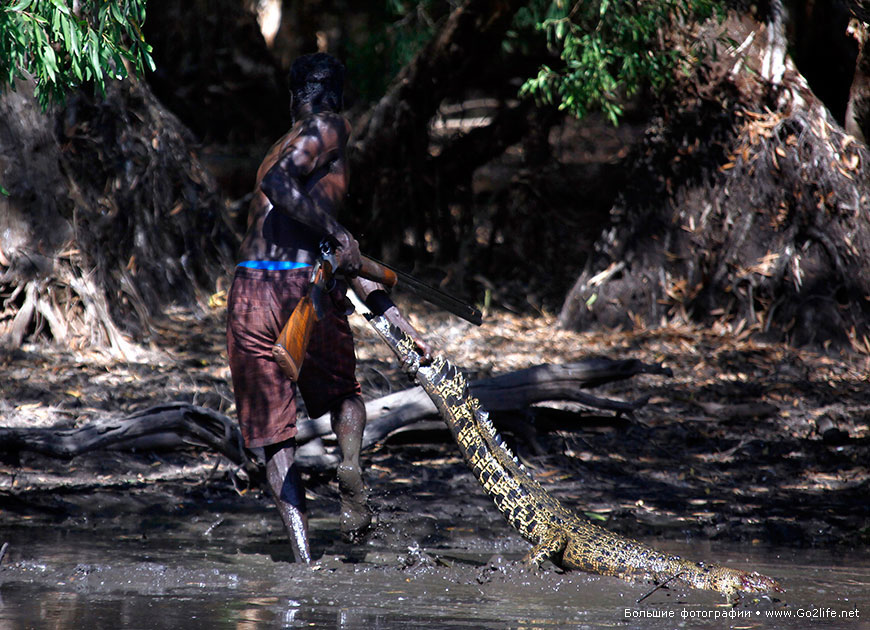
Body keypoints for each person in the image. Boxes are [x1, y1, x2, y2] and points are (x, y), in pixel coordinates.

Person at [226, 52, 430, 563]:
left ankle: (302, 558)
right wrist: (338, 230)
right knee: (345, 398)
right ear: (339, 99)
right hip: (299, 288)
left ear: (292, 96)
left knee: (275, 439)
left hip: (249, 289)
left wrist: (401, 327)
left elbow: (338, 258)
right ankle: (351, 472)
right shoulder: (330, 125)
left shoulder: (282, 144)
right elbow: (296, 206)